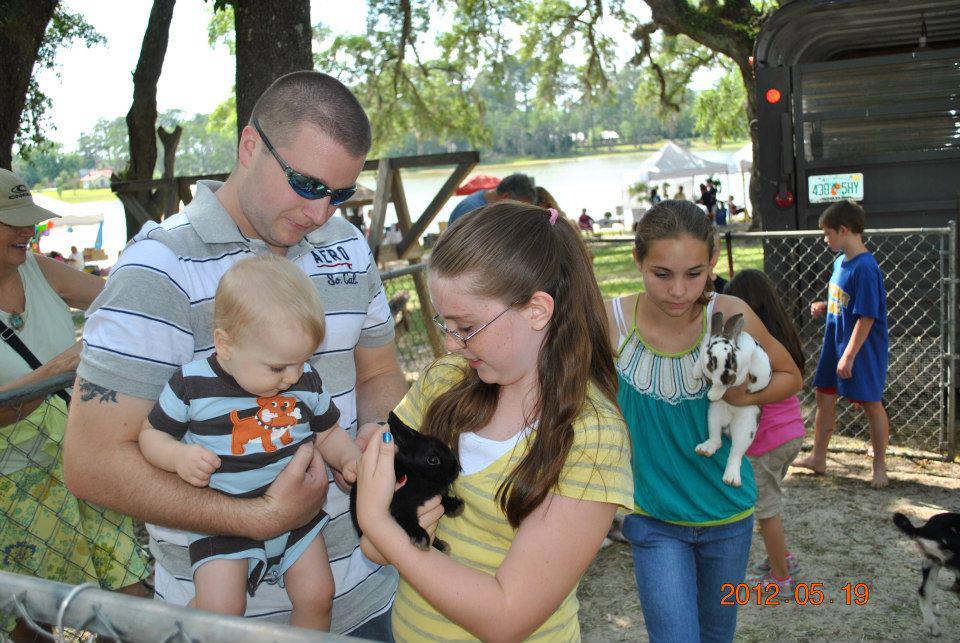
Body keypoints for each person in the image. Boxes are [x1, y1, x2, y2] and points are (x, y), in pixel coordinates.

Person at [63, 71, 415, 638]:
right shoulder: (158, 269)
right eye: (306, 183)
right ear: (250, 146)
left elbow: (378, 372)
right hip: (228, 619)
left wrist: (374, 433)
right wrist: (261, 517)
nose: (322, 212)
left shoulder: (347, 247)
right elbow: (92, 463)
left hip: (367, 590)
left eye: (340, 193)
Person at [354, 202, 633, 641]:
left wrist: (380, 525)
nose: (450, 345)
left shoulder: (591, 437)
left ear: (538, 311)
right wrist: (384, 525)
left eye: (465, 326)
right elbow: (378, 541)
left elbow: (507, 617)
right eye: (444, 323)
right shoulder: (443, 381)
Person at [605, 199, 802, 642]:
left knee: (717, 637)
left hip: (728, 518)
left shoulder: (730, 312)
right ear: (638, 261)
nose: (679, 291)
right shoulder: (612, 321)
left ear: (712, 261)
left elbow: (790, 375)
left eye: (694, 273)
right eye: (662, 274)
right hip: (653, 519)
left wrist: (745, 392)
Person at [139, 255, 362, 630]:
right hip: (223, 519)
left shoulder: (305, 378)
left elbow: (327, 432)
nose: (293, 377)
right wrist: (178, 456)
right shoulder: (191, 386)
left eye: (302, 361)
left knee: (319, 595)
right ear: (225, 344)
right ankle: (190, 621)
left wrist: (349, 458)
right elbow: (150, 435)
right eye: (278, 367)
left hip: (298, 519)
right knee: (222, 611)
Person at [0, 168, 149, 640]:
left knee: (128, 590)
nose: (29, 230)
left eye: (31, 218)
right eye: (14, 220)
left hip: (81, 458)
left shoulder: (35, 267)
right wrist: (56, 370)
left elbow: (117, 298)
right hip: (14, 484)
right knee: (33, 617)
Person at [795, 200, 889, 489]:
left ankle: (879, 467)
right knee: (824, 397)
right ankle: (818, 457)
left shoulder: (866, 268)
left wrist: (848, 356)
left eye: (827, 233)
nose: (825, 240)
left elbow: (867, 317)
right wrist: (826, 305)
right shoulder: (840, 262)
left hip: (859, 351)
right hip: (833, 345)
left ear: (844, 230)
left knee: (872, 404)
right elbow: (847, 302)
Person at [724, 270, 806, 592]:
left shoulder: (748, 344)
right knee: (769, 499)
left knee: (766, 511)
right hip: (791, 434)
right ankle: (781, 557)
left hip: (766, 441)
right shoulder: (780, 335)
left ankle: (781, 578)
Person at [447, 173, 536, 225]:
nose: (520, 215)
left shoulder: (496, 207)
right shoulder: (470, 210)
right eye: (519, 209)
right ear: (506, 198)